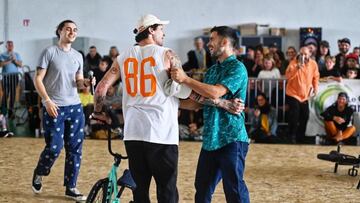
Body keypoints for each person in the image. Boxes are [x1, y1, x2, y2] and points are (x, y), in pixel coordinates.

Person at [171, 26, 249, 203]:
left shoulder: (238, 68)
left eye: (212, 39)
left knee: (234, 190)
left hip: (232, 138)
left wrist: (185, 79)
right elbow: (199, 102)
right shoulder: (212, 70)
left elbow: (215, 92)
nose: (209, 44)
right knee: (202, 190)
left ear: (225, 42)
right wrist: (171, 103)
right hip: (210, 140)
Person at [31, 20, 93, 201]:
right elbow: (38, 79)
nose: (72, 32)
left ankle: (71, 186)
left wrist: (86, 84)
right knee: (54, 148)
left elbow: (79, 81)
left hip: (75, 107)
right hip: (54, 107)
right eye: (68, 29)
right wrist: (47, 101)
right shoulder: (49, 52)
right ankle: (40, 171)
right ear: (59, 31)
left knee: (75, 149)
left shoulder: (78, 56)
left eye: (74, 30)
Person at [285, 46, 319, 143]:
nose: (303, 55)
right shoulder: (293, 63)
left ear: (310, 54)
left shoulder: (313, 64)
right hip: (293, 93)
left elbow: (316, 77)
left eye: (305, 54)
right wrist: (296, 68)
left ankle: (301, 137)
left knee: (305, 116)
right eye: (301, 53)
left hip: (305, 96)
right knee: (294, 116)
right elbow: (287, 76)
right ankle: (292, 136)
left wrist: (315, 89)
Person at [0, 40, 23, 117]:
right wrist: (9, 60)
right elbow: (0, 64)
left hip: (14, 76)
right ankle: (3, 112)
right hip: (5, 76)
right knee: (5, 93)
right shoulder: (2, 55)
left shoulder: (17, 54)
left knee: (13, 94)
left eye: (11, 45)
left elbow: (20, 65)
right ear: (6, 46)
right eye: (8, 45)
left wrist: (14, 60)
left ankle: (11, 111)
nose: (10, 46)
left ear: (13, 46)